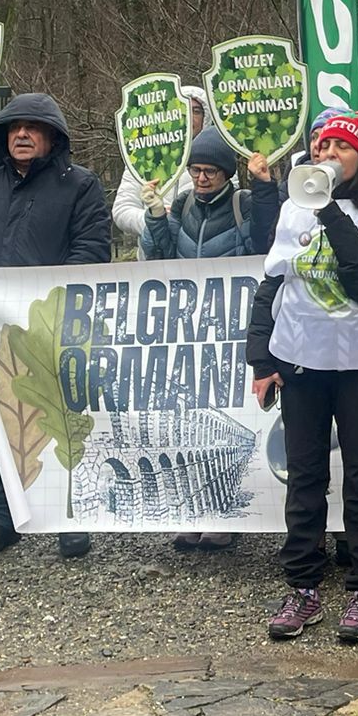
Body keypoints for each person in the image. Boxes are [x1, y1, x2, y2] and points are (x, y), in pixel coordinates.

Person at [248, 110, 358, 643]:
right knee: (305, 473)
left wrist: (333, 215)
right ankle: (303, 588)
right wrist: (262, 360)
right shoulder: (294, 206)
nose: (326, 156)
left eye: (339, 147)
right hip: (301, 358)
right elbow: (273, 281)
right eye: (321, 147)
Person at [0, 94, 112, 560]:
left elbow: (92, 250)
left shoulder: (80, 185)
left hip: (55, 326)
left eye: (32, 128)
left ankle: (67, 517)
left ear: (52, 137)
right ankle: (1, 517)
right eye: (14, 127)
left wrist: (42, 294)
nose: (21, 134)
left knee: (57, 419)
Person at [141, 125, 281, 548]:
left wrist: (263, 190)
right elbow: (160, 257)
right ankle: (193, 510)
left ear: (226, 174)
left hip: (233, 329)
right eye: (195, 170)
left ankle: (226, 515)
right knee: (192, 423)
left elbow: (264, 243)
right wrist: (153, 218)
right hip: (191, 331)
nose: (201, 178)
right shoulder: (182, 207)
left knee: (231, 420)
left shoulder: (241, 205)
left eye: (211, 172)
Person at [112, 85, 210, 246]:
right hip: (153, 261)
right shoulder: (142, 158)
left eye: (196, 111)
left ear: (206, 117)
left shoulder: (216, 157)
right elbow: (122, 211)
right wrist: (154, 219)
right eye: (181, 107)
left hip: (202, 259)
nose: (189, 116)